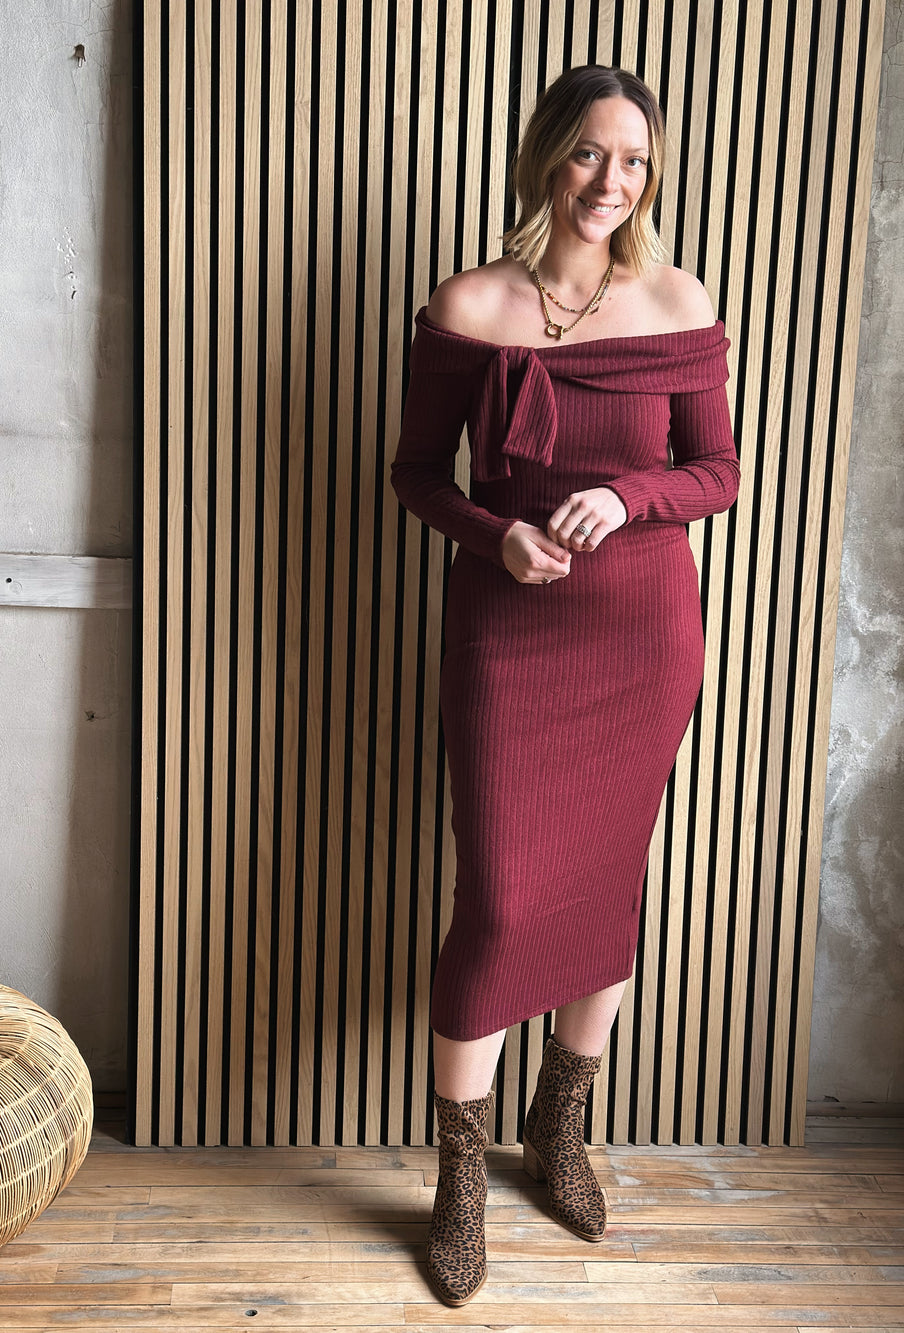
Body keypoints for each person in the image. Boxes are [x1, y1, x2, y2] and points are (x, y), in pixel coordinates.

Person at [390, 64, 740, 1306]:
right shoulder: (471, 302)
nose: (612, 182)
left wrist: (628, 495)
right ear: (547, 156)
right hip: (510, 631)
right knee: (496, 897)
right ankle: (461, 1184)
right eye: (591, 154)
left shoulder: (676, 294)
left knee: (607, 877)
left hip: (643, 631)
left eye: (634, 160)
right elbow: (418, 473)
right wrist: (497, 535)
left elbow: (718, 472)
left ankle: (563, 1129)